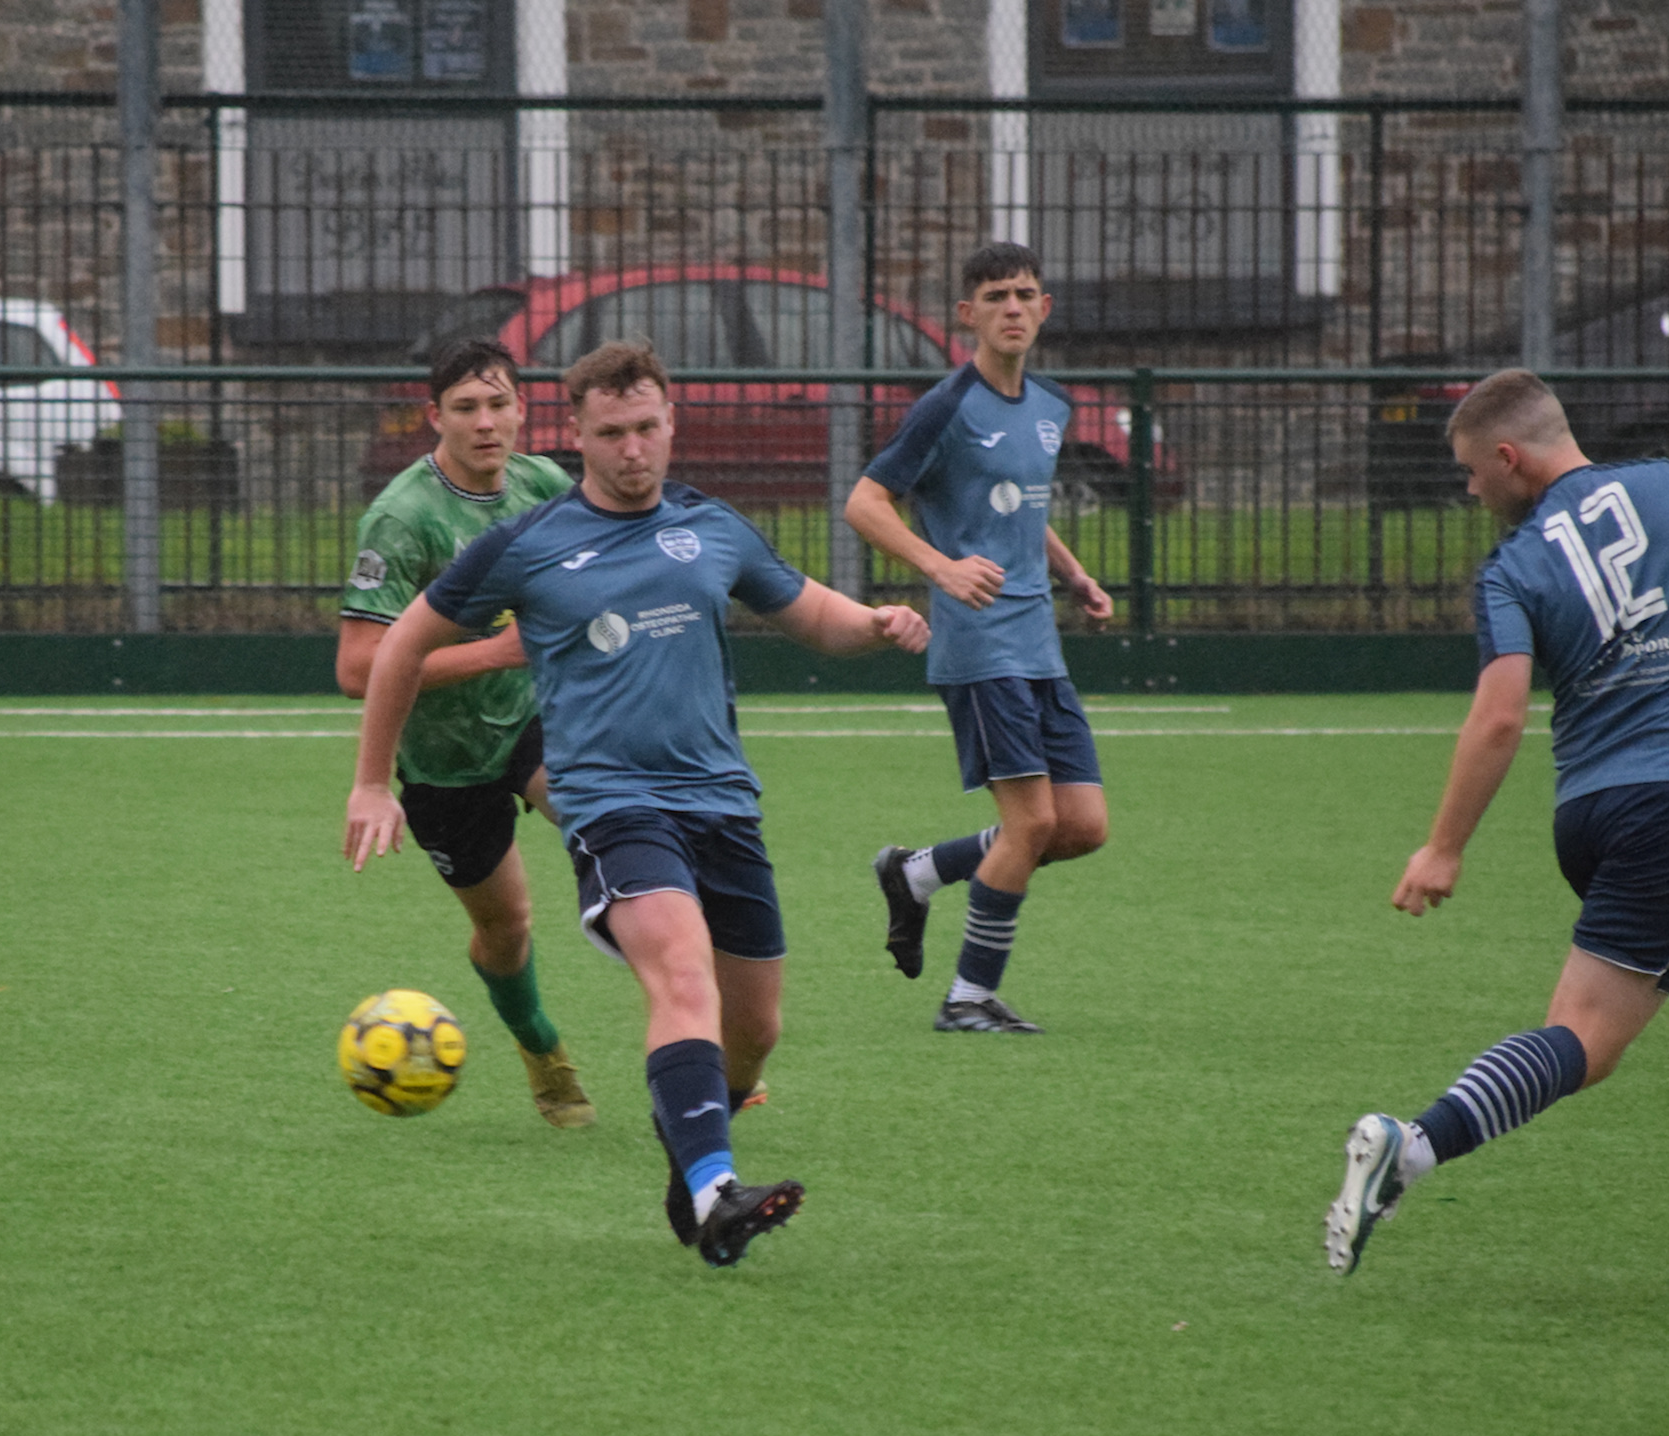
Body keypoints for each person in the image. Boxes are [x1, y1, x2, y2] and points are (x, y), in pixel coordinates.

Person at [346, 341, 930, 1268]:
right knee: (679, 970)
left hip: (723, 802)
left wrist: (880, 623)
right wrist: (374, 781)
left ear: (672, 424)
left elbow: (814, 615)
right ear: (576, 435)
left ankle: (691, 1156)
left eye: (647, 427)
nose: (632, 449)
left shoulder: (713, 528)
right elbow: (397, 647)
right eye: (611, 432)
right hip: (612, 803)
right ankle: (713, 1189)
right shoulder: (526, 544)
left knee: (756, 1030)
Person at [1324, 368, 1669, 1288]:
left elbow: (1501, 716)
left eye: (1469, 473)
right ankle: (1411, 1145)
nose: (1469, 492)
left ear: (1509, 457)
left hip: (1589, 814)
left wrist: (1445, 843)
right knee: (1584, 1041)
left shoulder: (1508, 568)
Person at [843, 242, 1114, 1035]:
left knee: (1082, 826)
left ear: (1045, 306)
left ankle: (919, 870)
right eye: (996, 296)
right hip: (978, 643)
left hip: (1038, 639)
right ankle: (968, 999)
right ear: (967, 315)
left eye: (1025, 293)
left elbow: (1024, 507)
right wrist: (941, 567)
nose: (1013, 308)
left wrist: (1074, 574)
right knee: (1031, 823)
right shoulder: (946, 405)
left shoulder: (1052, 405)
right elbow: (865, 502)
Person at [337, 337, 594, 1130]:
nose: (486, 422)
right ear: (433, 419)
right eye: (465, 408)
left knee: (602, 817)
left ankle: (692, 1015)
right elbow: (359, 666)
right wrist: (495, 650)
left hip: (536, 717)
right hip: (445, 759)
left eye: (498, 404)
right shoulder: (403, 516)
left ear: (523, 408)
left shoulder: (545, 483)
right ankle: (541, 1045)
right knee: (505, 929)